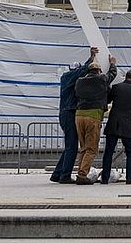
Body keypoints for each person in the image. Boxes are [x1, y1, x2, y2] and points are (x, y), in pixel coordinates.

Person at [49, 46, 97, 183]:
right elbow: (82, 71)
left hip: (66, 113)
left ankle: (57, 174)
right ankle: (64, 176)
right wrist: (91, 58)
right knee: (71, 147)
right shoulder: (69, 77)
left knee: (70, 146)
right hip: (69, 113)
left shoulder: (66, 78)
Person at [73, 53, 117, 184]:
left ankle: (80, 172)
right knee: (92, 148)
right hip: (93, 116)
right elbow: (112, 75)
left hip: (79, 115)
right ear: (98, 71)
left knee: (83, 147)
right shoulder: (101, 79)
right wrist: (113, 63)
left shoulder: (79, 81)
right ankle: (82, 175)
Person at [99, 70, 131, 185]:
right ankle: (129, 178)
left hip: (113, 123)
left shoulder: (116, 87)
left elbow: (108, 100)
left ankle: (105, 178)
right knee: (130, 151)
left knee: (109, 151)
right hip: (127, 125)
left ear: (126, 77)